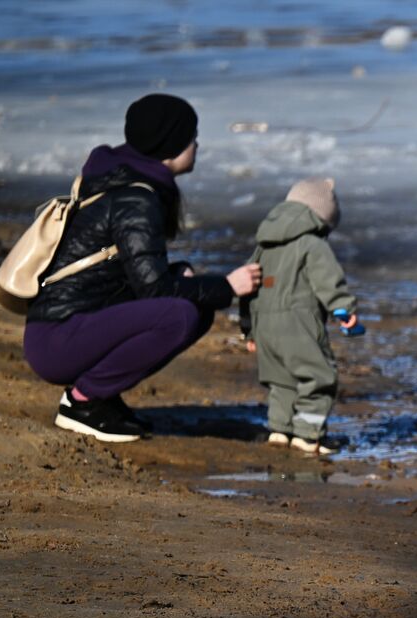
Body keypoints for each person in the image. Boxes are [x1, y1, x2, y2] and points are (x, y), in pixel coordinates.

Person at [23, 93, 262, 443]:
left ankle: (101, 396)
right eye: (191, 136)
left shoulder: (123, 182)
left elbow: (131, 277)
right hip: (57, 340)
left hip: (65, 330)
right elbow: (157, 292)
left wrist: (190, 279)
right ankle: (83, 402)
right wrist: (227, 287)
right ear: (170, 145)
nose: (196, 144)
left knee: (189, 296)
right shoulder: (135, 199)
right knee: (179, 315)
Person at [243, 177, 360, 455]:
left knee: (281, 381)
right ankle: (308, 436)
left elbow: (246, 286)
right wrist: (344, 311)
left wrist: (248, 329)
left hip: (265, 325)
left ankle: (280, 431)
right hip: (299, 323)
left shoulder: (263, 247)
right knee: (318, 376)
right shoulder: (311, 244)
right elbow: (328, 281)